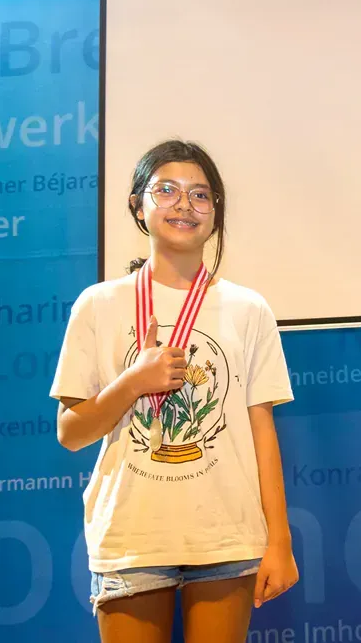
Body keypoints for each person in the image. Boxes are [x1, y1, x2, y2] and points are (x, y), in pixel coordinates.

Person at [50, 140, 298, 643]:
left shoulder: (249, 309)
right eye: (166, 190)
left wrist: (280, 541)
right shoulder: (98, 306)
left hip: (225, 537)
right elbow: (71, 433)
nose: (185, 205)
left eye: (201, 195)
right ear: (138, 206)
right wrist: (133, 382)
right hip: (132, 536)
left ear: (216, 214)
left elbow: (261, 430)